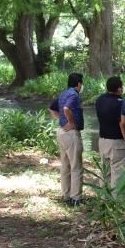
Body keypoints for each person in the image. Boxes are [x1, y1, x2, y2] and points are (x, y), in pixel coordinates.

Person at [50, 73, 85, 206]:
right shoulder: (74, 95)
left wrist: (60, 120)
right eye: (81, 83)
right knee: (76, 166)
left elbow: (52, 108)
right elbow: (66, 108)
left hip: (61, 132)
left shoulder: (63, 93)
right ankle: (76, 198)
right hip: (70, 133)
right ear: (79, 84)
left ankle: (66, 195)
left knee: (65, 165)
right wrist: (70, 122)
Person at [95, 76, 125, 188]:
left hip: (102, 140)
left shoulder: (99, 100)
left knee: (105, 173)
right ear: (119, 89)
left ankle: (104, 201)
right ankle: (117, 203)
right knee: (118, 173)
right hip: (117, 142)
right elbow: (121, 123)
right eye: (122, 86)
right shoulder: (120, 103)